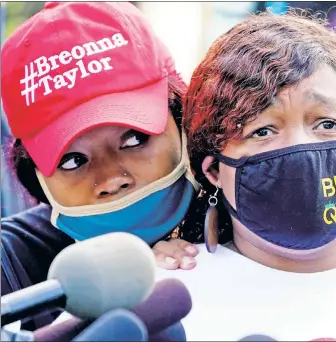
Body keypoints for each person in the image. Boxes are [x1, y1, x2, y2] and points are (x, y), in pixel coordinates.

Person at [150, 12, 336, 341]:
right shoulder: (161, 303)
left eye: (327, 124)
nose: (300, 146)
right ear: (214, 171)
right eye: (262, 130)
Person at [0, 2, 204, 331]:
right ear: (36, 179)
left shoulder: (247, 218)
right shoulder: (11, 261)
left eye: (135, 139)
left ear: (182, 121)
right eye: (73, 160)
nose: (111, 179)